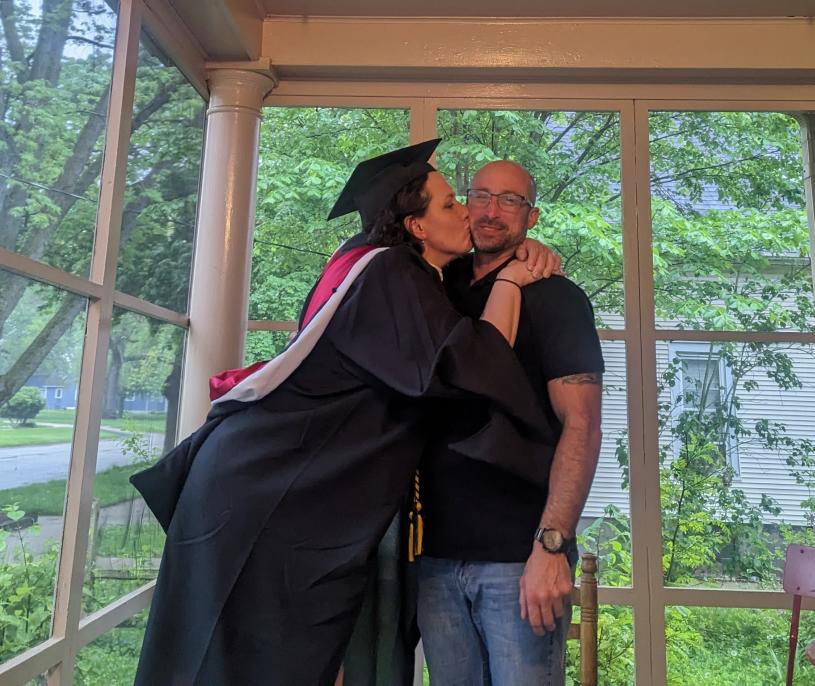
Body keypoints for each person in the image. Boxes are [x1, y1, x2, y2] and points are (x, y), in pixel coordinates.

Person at [130, 141, 562, 686]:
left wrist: (525, 251)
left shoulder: (378, 266)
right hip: (268, 498)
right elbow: (475, 362)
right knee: (241, 660)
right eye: (454, 203)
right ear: (417, 227)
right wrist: (510, 280)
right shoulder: (393, 276)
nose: (472, 215)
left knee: (273, 655)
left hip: (278, 487)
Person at [417, 160, 605, 684]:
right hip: (435, 559)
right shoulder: (436, 289)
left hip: (518, 559)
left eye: (510, 200)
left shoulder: (555, 297)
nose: (491, 212)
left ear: (532, 216)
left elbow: (583, 426)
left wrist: (551, 546)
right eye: (480, 196)